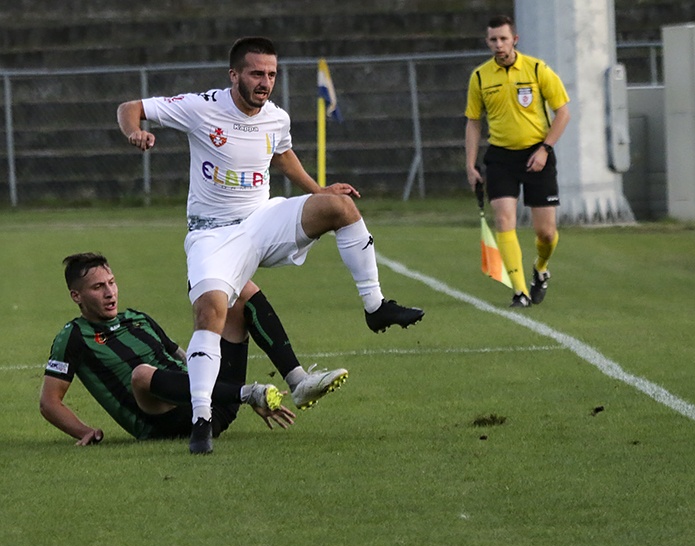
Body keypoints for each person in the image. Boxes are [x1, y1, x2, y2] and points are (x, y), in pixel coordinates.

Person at [116, 36, 424, 454]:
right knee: (210, 311)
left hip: (263, 222)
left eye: (271, 74)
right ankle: (202, 420)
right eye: (256, 73)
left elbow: (282, 156)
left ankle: (376, 307)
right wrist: (135, 132)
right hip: (213, 232)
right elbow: (130, 107)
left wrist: (319, 190)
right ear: (234, 75)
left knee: (339, 206)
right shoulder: (201, 106)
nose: (265, 82)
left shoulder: (276, 117)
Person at [40, 253, 297, 446]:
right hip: (164, 422)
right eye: (98, 287)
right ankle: (248, 393)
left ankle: (295, 377)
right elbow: (49, 402)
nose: (110, 293)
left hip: (209, 407)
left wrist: (224, 391)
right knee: (141, 375)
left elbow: (183, 357)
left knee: (239, 290)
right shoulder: (73, 336)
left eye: (112, 282)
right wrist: (84, 431)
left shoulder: (137, 318)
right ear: (76, 296)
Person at [465, 14, 571, 308]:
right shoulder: (480, 77)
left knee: (546, 233)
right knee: (504, 220)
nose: (498, 45)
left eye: (503, 38)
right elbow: (473, 122)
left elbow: (563, 112)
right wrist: (470, 164)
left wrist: (545, 149)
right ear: (487, 41)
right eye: (493, 40)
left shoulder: (537, 69)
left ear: (515, 40)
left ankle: (540, 269)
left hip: (537, 153)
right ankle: (520, 291)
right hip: (500, 157)